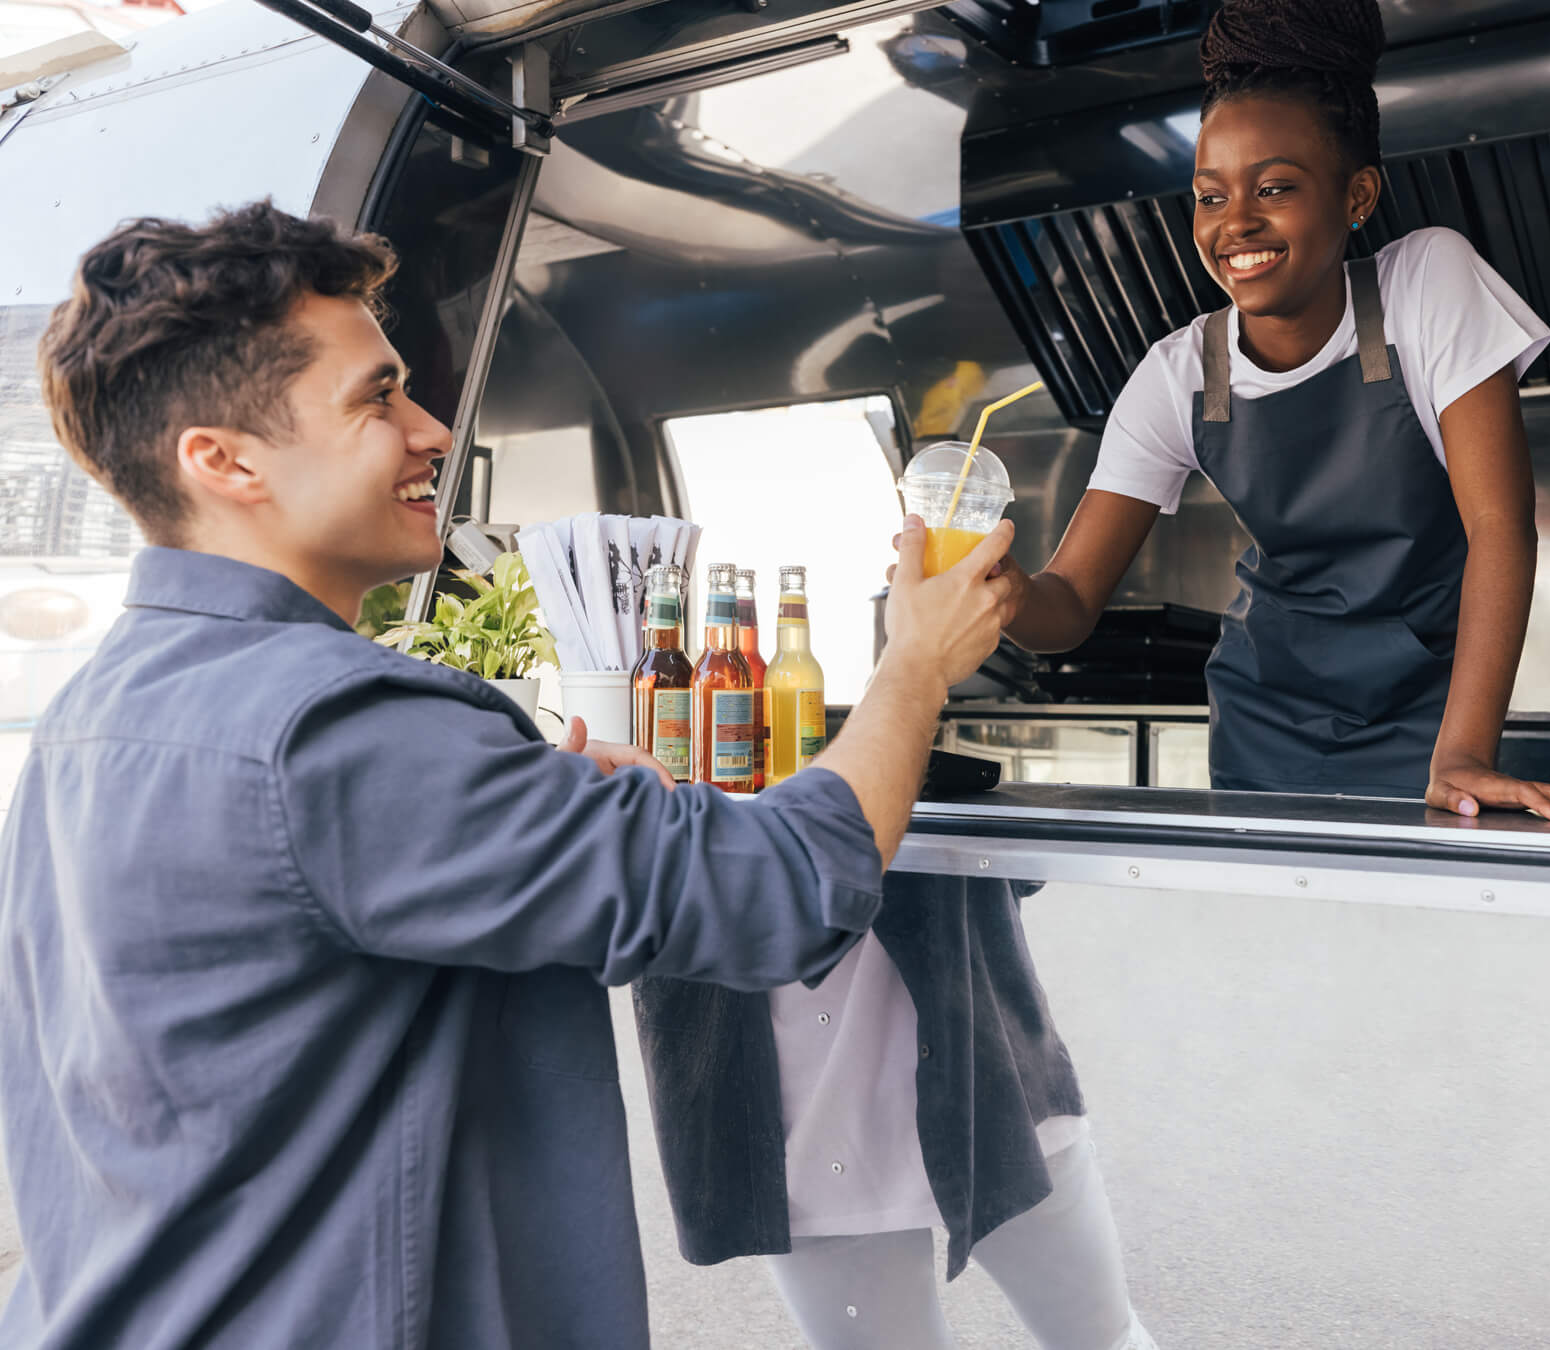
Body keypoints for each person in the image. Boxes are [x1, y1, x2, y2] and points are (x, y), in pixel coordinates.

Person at [0, 202, 1013, 1350]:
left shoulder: (99, 712)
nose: (432, 430)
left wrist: (546, 798)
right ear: (223, 460)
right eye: (375, 396)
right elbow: (780, 883)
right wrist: (918, 661)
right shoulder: (340, 732)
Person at [999, 0, 1550, 823]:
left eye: (1276, 187)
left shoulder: (1426, 285)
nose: (1235, 222)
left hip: (1435, 723)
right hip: (1264, 720)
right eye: (1210, 195)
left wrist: (1466, 749)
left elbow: (1499, 527)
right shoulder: (1178, 373)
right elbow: (1065, 605)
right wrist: (1002, 595)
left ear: (1357, 195)